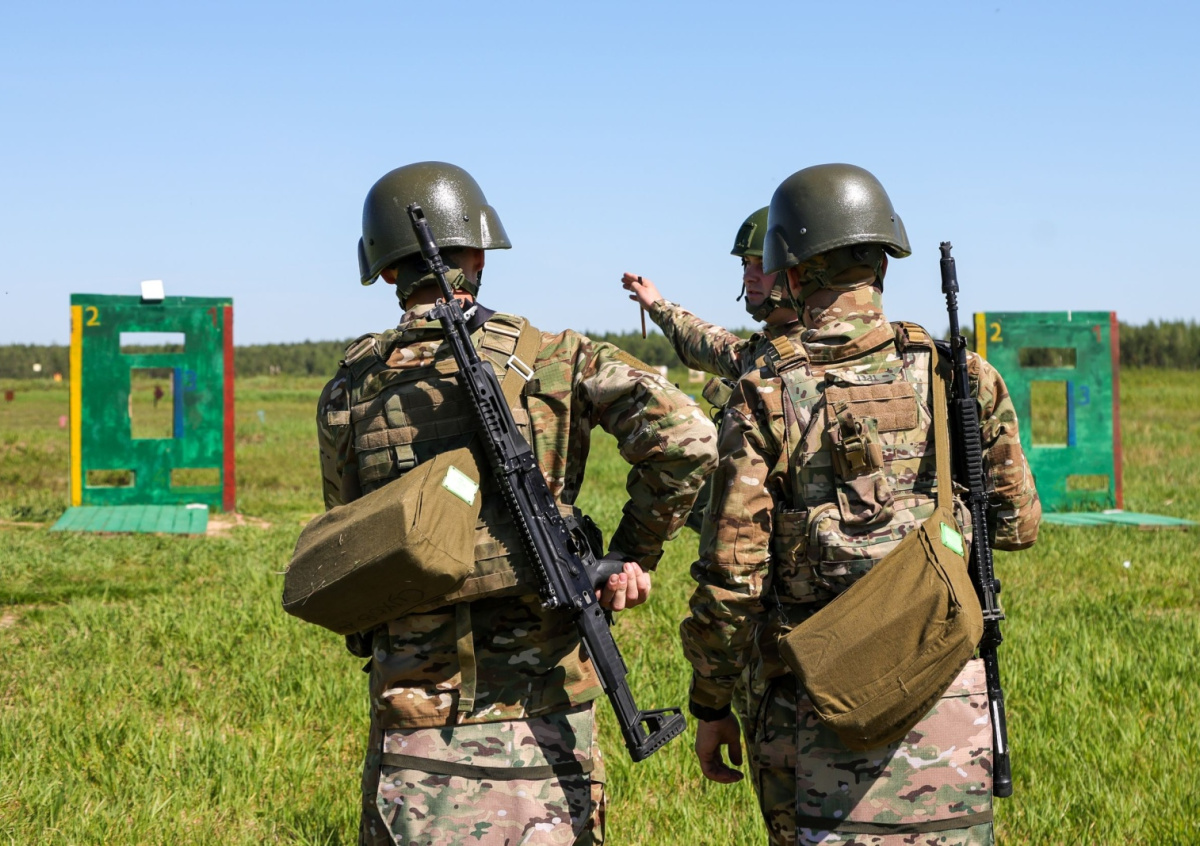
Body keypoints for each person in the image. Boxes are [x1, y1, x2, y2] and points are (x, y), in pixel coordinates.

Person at [316, 161, 717, 846]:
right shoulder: (559, 358)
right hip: (548, 713)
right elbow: (691, 437)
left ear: (383, 271)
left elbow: (349, 545)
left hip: (416, 723)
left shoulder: (348, 391)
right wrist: (632, 553)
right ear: (480, 254)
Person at [679, 163, 1041, 846]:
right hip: (948, 697)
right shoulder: (959, 373)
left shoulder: (765, 391)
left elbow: (733, 579)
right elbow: (1017, 526)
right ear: (883, 261)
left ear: (790, 272)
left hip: (811, 709)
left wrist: (710, 701)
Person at [622, 207, 799, 530]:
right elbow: (712, 345)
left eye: (763, 264)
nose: (749, 275)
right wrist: (658, 306)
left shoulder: (814, 352)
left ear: (797, 272)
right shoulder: (765, 351)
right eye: (746, 263)